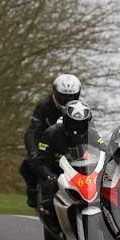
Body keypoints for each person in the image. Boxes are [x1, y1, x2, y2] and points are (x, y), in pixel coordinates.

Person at [34, 99, 106, 232]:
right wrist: (49, 175)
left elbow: (104, 150)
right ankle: (51, 221)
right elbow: (41, 160)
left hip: (82, 171)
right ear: (66, 121)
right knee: (49, 186)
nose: (77, 127)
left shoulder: (92, 133)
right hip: (57, 170)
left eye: (81, 124)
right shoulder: (51, 133)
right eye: (74, 123)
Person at [20, 74, 82, 207]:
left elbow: (90, 131)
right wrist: (33, 153)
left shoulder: (80, 109)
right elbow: (31, 131)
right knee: (27, 165)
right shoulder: (44, 106)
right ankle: (32, 191)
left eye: (71, 97)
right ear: (54, 92)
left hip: (70, 146)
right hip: (46, 145)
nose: (67, 100)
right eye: (63, 96)